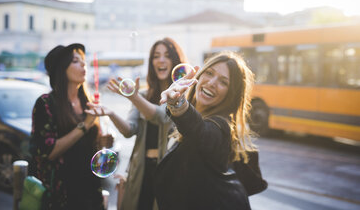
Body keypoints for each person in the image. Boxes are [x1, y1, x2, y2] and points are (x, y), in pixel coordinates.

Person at [89, 37, 187, 210]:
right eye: (156, 56)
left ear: (175, 60)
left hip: (169, 171)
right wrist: (111, 113)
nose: (161, 60)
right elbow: (129, 130)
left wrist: (132, 96)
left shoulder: (181, 96)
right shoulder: (143, 95)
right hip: (140, 171)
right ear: (151, 62)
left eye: (167, 55)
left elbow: (161, 117)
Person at [155, 51, 255, 210]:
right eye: (209, 73)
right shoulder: (191, 119)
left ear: (231, 94)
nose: (212, 82)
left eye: (223, 82)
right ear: (199, 75)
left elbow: (199, 131)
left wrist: (179, 104)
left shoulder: (221, 127)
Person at [29, 43, 111, 210]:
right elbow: (48, 152)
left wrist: (104, 143)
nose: (83, 64)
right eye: (75, 61)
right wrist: (85, 125)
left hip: (90, 189)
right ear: (61, 69)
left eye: (83, 61)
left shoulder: (87, 103)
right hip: (63, 194)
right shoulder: (46, 103)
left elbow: (92, 148)